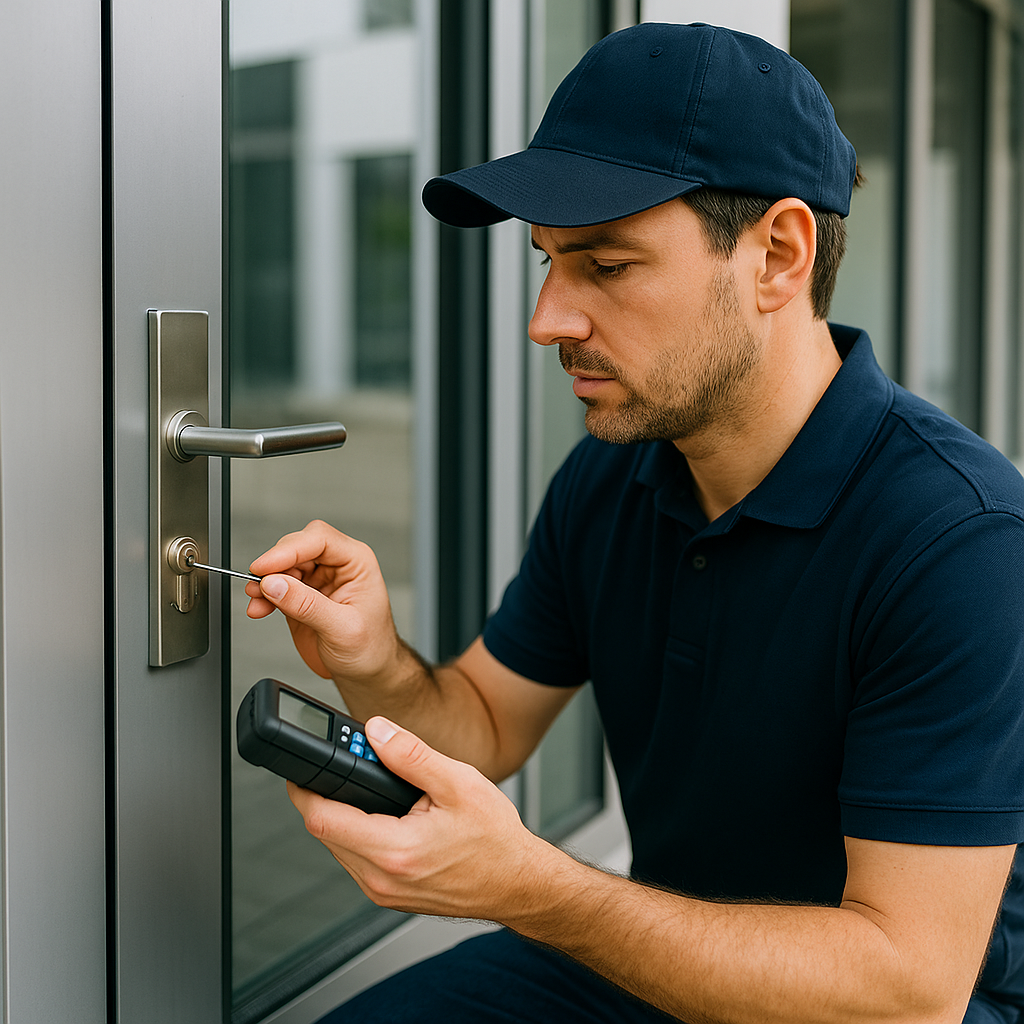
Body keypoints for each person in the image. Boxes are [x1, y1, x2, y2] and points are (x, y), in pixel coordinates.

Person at [244, 22, 1024, 1024]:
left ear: (777, 256)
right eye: (547, 263)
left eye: (605, 266)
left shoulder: (961, 540)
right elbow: (479, 728)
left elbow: (906, 985)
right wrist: (372, 660)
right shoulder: (612, 478)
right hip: (653, 954)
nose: (547, 320)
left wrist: (534, 888)